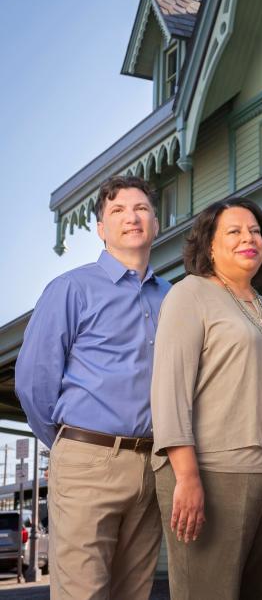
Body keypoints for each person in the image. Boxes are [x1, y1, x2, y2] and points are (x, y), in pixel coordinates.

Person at [16, 175, 169, 600]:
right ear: (101, 229)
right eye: (117, 211)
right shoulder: (71, 289)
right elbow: (34, 384)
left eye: (141, 209)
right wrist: (73, 444)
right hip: (88, 460)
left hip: (153, 467)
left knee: (133, 593)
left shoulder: (173, 297)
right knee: (82, 594)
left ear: (155, 223)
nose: (131, 217)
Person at [151, 197, 262, 600]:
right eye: (233, 231)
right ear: (209, 245)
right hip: (213, 473)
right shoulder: (190, 295)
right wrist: (186, 476)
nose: (248, 238)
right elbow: (170, 390)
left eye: (254, 231)